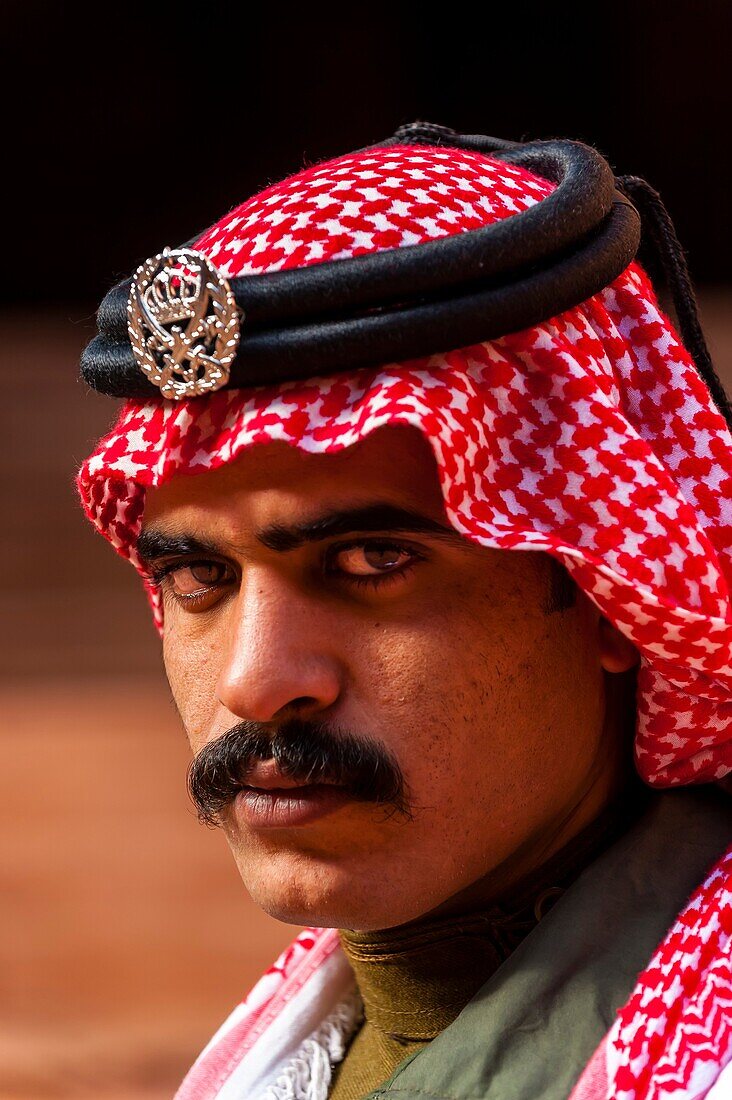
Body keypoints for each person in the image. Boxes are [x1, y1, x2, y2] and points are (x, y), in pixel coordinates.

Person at [77, 124, 732, 1100]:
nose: (258, 679)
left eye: (375, 560)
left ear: (606, 594)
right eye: (198, 576)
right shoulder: (303, 1041)